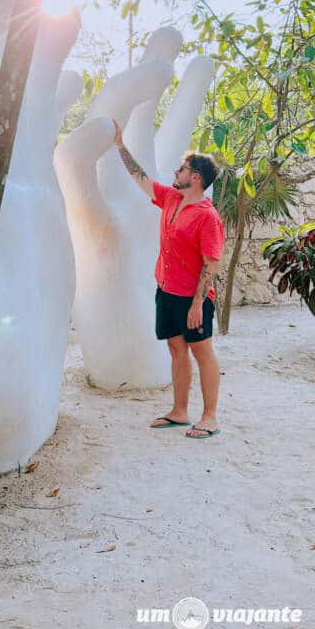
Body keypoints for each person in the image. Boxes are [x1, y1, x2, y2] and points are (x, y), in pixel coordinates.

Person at [112, 119, 225, 440]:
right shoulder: (172, 199)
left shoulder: (208, 217)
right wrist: (121, 146)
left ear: (196, 177)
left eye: (182, 168)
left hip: (193, 298)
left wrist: (197, 304)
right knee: (177, 349)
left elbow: (211, 264)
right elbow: (140, 177)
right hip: (166, 290)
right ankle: (180, 411)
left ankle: (210, 417)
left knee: (202, 352)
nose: (176, 171)